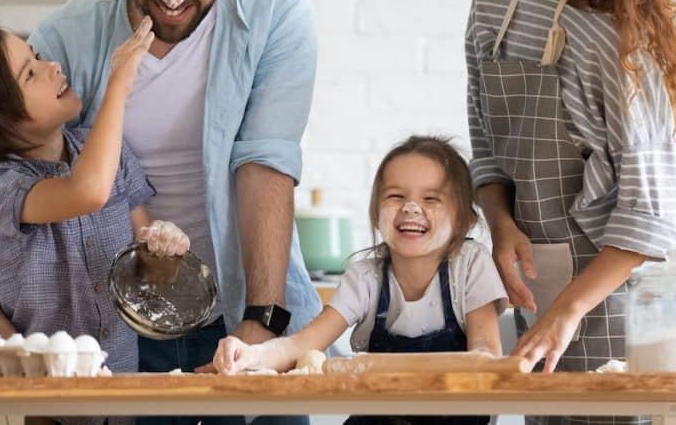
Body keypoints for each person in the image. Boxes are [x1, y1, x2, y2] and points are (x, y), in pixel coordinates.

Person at [0, 0, 320, 425]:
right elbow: (10, 170)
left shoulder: (276, 15)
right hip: (119, 328)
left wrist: (261, 320)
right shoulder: (67, 38)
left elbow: (265, 162)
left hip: (248, 308)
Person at [466, 0, 676, 422]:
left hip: (613, 313)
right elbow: (487, 145)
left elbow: (649, 216)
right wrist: (499, 225)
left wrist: (566, 312)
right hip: (535, 294)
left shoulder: (613, 43)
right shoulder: (493, 2)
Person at [0, 22, 191, 389]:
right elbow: (87, 193)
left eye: (37, 57)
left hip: (123, 399)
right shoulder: (0, 187)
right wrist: (119, 85)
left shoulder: (113, 156)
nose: (52, 67)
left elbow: (149, 280)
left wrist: (164, 252)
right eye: (30, 74)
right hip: (44, 406)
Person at [215, 136, 508, 425]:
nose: (410, 207)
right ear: (374, 211)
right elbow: (301, 346)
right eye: (396, 196)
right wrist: (251, 355)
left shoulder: (470, 264)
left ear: (463, 221)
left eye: (431, 198)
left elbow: (486, 356)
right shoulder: (367, 277)